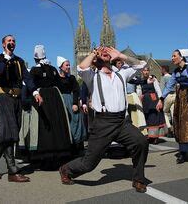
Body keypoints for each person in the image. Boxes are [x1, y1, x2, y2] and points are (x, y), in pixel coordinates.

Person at [59, 47, 149, 193]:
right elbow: (81, 67)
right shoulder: (92, 76)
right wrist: (94, 53)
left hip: (122, 121)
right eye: (101, 52)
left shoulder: (121, 73)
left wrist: (120, 55)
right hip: (103, 123)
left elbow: (140, 65)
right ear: (96, 59)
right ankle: (66, 169)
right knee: (89, 164)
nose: (105, 52)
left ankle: (138, 179)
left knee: (141, 142)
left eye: (107, 51)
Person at [0, 35, 42, 183]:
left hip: (17, 99)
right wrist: (7, 58)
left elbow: (27, 78)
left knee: (12, 133)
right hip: (5, 97)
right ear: (3, 45)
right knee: (10, 133)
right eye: (9, 41)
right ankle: (12, 171)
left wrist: (35, 92)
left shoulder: (19, 61)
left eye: (13, 41)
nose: (11, 43)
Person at [28, 45, 72, 169]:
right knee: (57, 125)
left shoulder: (34, 70)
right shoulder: (52, 68)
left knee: (44, 126)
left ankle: (45, 157)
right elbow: (59, 83)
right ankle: (60, 155)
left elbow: (30, 85)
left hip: (42, 97)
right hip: (55, 98)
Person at [56, 56, 87, 153]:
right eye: (66, 65)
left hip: (71, 101)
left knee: (76, 121)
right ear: (61, 67)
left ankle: (76, 145)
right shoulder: (56, 78)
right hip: (60, 101)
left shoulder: (72, 78)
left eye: (69, 65)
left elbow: (76, 91)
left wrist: (75, 103)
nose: (68, 67)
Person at [134, 67, 167, 143]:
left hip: (153, 99)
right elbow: (139, 91)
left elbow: (158, 89)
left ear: (149, 71)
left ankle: (155, 137)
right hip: (145, 100)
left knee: (154, 118)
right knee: (147, 117)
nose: (146, 72)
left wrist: (160, 100)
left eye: (147, 70)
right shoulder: (141, 81)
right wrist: (140, 99)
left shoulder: (153, 79)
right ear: (142, 72)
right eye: (144, 71)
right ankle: (149, 136)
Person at [160, 65, 175, 135]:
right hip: (174, 95)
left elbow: (162, 89)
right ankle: (175, 128)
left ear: (163, 70)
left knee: (164, 112)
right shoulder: (172, 77)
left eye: (161, 69)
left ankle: (169, 128)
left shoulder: (164, 78)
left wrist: (160, 99)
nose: (160, 71)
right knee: (173, 113)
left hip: (167, 96)